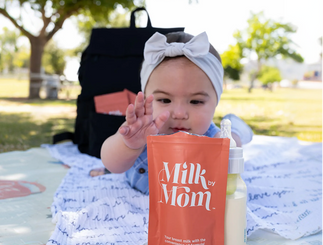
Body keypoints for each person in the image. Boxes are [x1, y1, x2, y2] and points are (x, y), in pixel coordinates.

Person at [96, 31, 253, 194]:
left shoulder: (212, 137)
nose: (179, 113)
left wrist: (228, 145)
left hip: (185, 204)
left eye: (196, 101)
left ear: (215, 102)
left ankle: (234, 129)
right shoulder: (140, 130)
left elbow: (230, 170)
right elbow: (112, 164)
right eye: (164, 100)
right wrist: (129, 145)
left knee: (231, 139)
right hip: (139, 193)